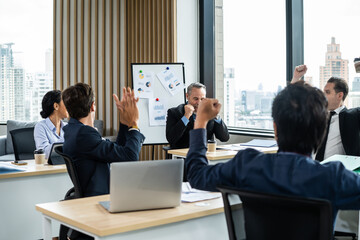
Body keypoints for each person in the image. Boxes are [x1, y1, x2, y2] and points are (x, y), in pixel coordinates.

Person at [185, 83, 360, 228]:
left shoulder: (247, 165)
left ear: (275, 129)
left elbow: (196, 174)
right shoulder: (333, 177)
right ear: (322, 132)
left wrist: (201, 121)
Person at [62, 83, 145, 197]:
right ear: (93, 106)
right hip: (99, 199)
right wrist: (134, 125)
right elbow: (130, 156)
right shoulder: (84, 135)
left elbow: (117, 153)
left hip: (99, 195)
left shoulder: (73, 130)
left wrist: (125, 123)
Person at [292, 65, 360, 161]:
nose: (323, 95)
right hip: (312, 168)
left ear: (340, 95)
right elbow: (292, 103)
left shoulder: (353, 115)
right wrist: (296, 78)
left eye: (327, 92)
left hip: (337, 172)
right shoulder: (316, 115)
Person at [166, 82, 229, 149]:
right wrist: (186, 116)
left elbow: (224, 138)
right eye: (196, 99)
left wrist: (216, 116)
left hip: (206, 155)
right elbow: (171, 139)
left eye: (202, 99)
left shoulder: (209, 112)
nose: (199, 103)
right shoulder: (174, 112)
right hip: (184, 155)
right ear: (187, 96)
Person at [34, 90, 69, 159]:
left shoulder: (67, 126)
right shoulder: (40, 127)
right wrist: (68, 137)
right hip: (49, 167)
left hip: (65, 164)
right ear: (56, 106)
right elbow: (44, 153)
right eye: (65, 102)